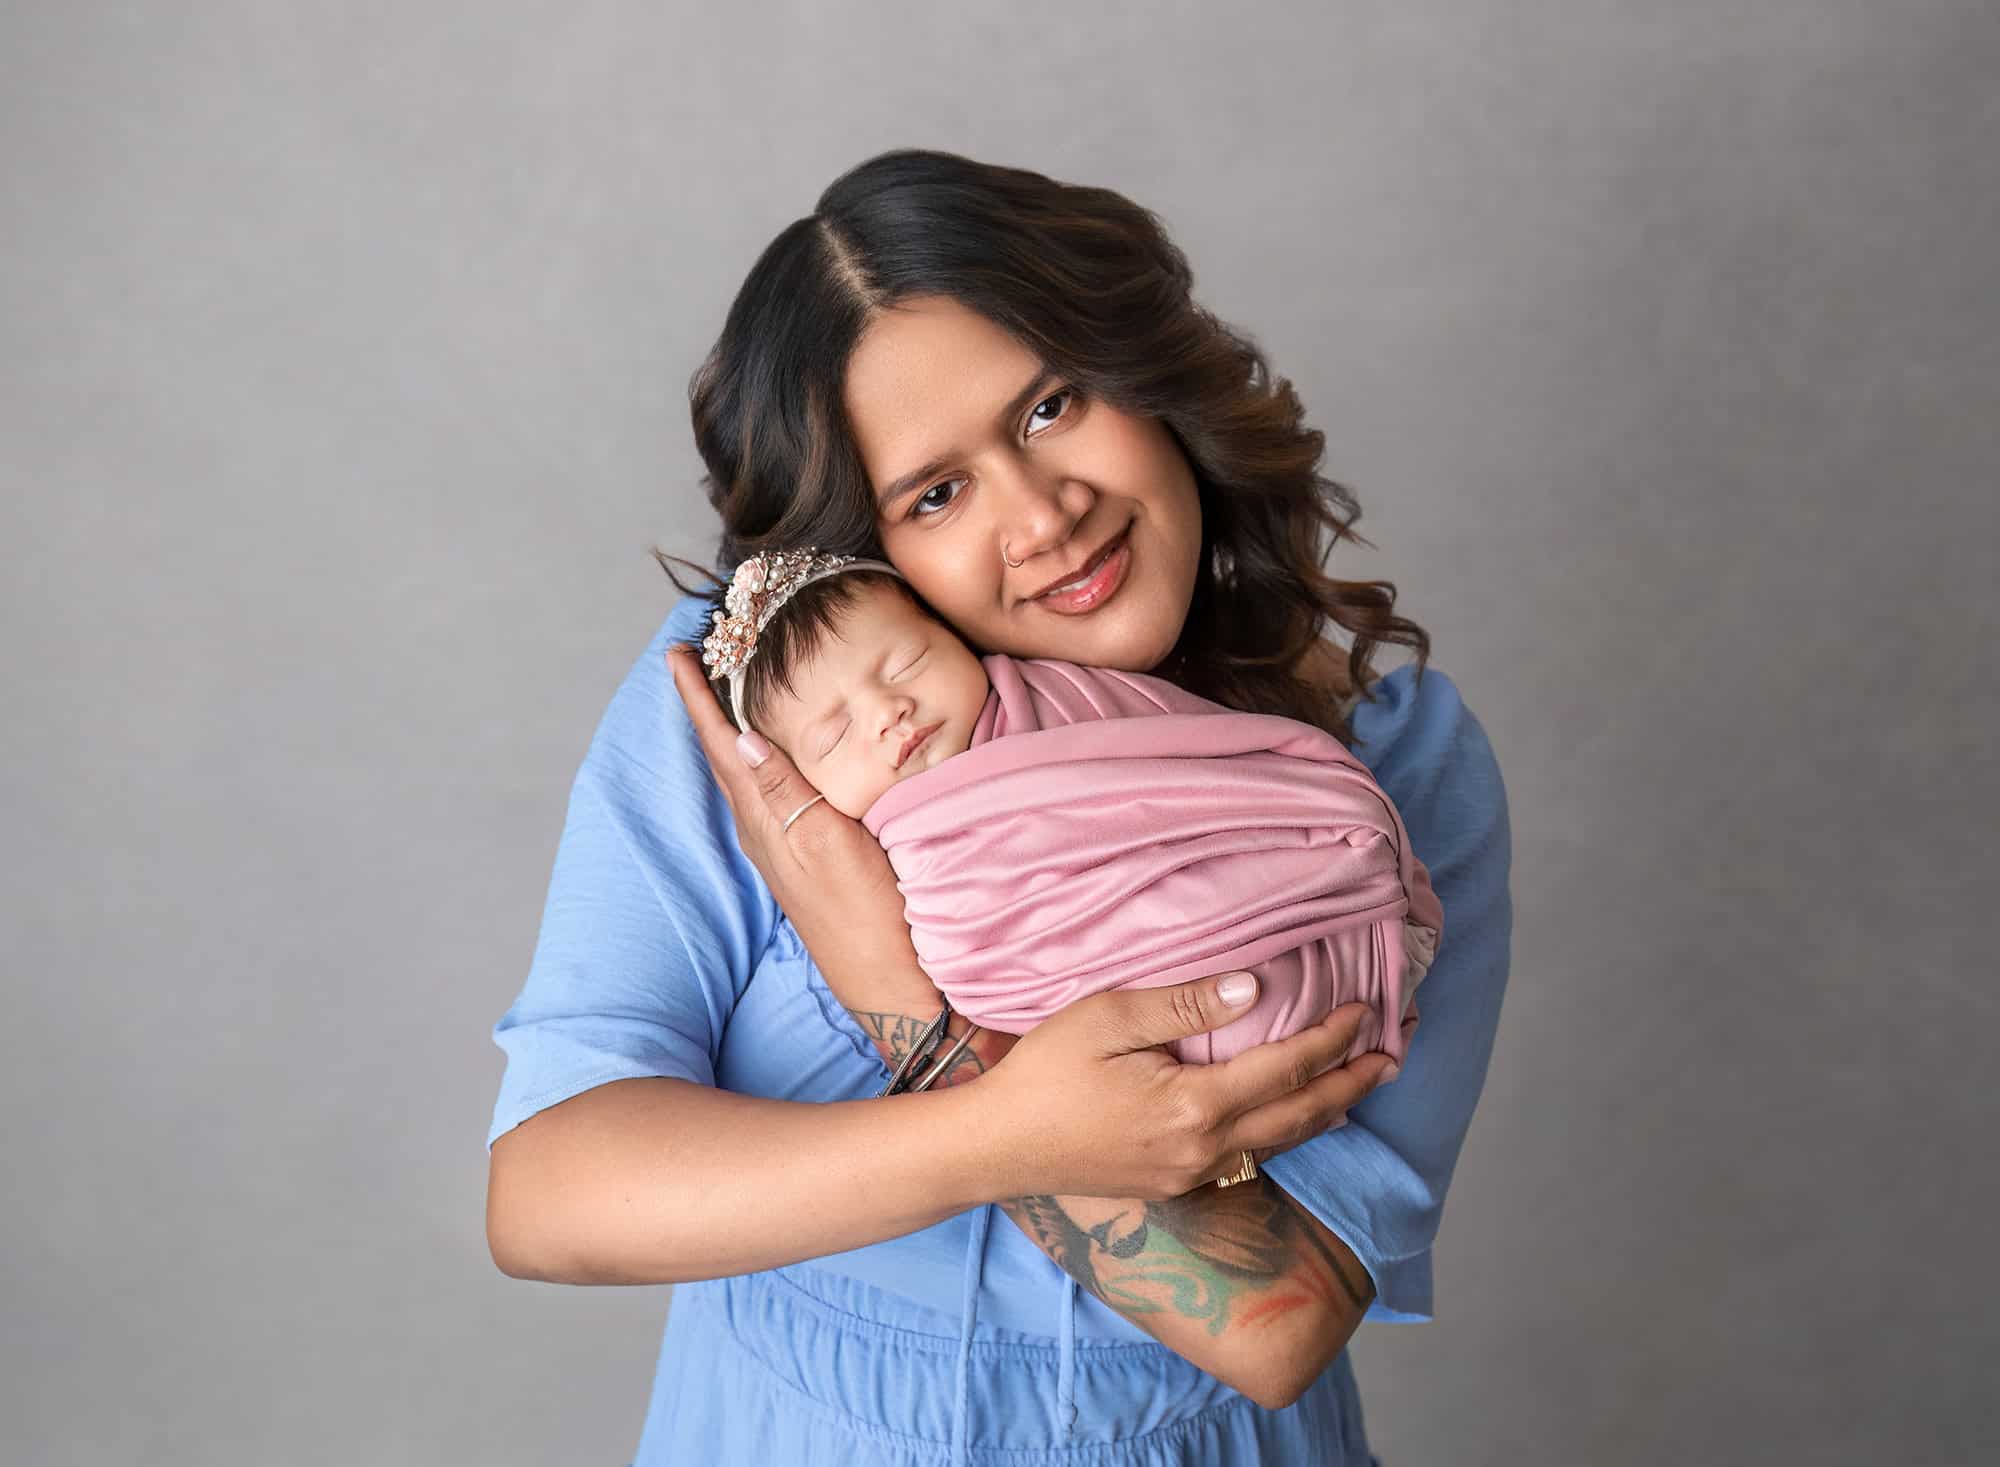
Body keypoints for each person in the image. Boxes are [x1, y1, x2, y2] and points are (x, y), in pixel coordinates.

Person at [484, 149, 1512, 1467]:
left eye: (1051, 406)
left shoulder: (1393, 761)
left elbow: (1277, 1325)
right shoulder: (773, 709)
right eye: (937, 491)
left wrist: (902, 997)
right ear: (869, 545)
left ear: (1148, 374)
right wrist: (995, 1127)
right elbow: (551, 1192)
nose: (1045, 516)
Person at [677, 550, 1441, 1071]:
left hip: (1312, 910)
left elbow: (1200, 759)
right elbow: (989, 948)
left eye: (906, 661)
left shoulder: (1064, 692)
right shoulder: (890, 846)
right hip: (1179, 1039)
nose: (889, 711)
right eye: (836, 732)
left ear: (955, 637)